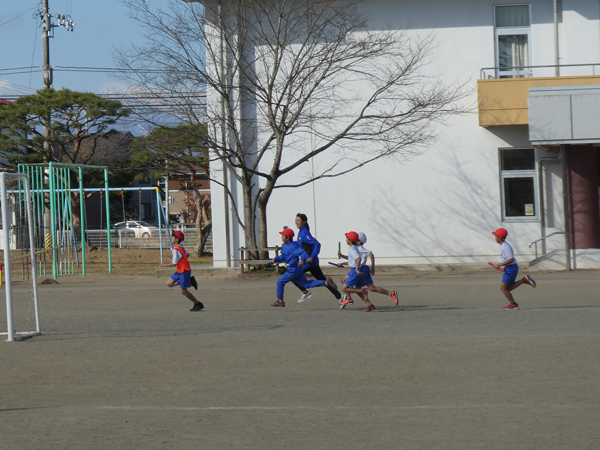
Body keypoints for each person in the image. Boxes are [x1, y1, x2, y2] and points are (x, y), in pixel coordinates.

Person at [270, 227, 337, 307]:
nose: (281, 237)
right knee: (306, 284)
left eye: (283, 235)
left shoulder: (292, 247)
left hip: (292, 270)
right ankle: (325, 282)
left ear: (287, 238)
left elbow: (303, 253)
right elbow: (284, 256)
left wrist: (302, 260)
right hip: (296, 269)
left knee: (280, 282)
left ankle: (280, 301)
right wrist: (276, 259)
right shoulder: (288, 246)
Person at [291, 213, 342, 303]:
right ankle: (340, 297)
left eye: (298, 221)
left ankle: (305, 292)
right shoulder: (302, 232)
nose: (296, 222)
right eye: (296, 220)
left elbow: (317, 244)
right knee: (323, 280)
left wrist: (312, 256)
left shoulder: (304, 233)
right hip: (311, 262)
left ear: (304, 222)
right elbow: (301, 245)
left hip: (309, 262)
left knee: (291, 274)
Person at [491, 227, 536, 310]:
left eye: (496, 236)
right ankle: (524, 280)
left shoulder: (505, 246)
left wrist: (499, 264)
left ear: (499, 237)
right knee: (508, 288)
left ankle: (513, 304)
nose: (495, 238)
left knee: (503, 288)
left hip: (511, 268)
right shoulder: (503, 245)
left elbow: (511, 259)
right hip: (510, 267)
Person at [160, 231, 203, 312]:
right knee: (169, 284)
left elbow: (174, 263)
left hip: (184, 271)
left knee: (184, 291)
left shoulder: (176, 249)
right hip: (181, 270)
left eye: (173, 237)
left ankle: (198, 303)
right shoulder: (180, 247)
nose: (171, 238)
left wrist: (163, 265)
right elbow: (187, 255)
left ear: (177, 239)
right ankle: (189, 281)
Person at [336, 231, 374, 312]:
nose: (346, 239)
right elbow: (352, 259)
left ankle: (360, 292)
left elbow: (358, 258)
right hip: (355, 270)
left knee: (344, 288)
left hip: (354, 271)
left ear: (349, 240)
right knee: (345, 281)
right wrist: (342, 256)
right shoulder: (354, 248)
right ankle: (369, 304)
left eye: (347, 238)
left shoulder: (353, 249)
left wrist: (356, 269)